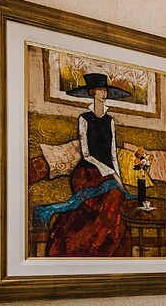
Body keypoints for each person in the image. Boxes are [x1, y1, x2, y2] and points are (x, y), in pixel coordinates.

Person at [43, 73, 135, 257]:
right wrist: (108, 172)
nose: (104, 93)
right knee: (103, 202)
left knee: (117, 196)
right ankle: (87, 248)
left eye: (105, 90)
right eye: (100, 89)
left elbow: (112, 153)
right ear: (93, 92)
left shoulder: (110, 121)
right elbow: (86, 153)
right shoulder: (84, 118)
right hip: (87, 173)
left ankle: (107, 249)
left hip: (108, 174)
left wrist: (118, 178)